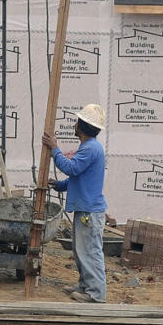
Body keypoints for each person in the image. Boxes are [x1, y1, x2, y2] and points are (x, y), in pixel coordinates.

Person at [41, 103, 107, 303]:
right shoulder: (89, 147)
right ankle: (86, 286)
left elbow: (72, 168)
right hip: (86, 208)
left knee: (89, 251)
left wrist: (55, 149)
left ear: (83, 126)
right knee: (81, 251)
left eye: (78, 122)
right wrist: (60, 185)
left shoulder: (90, 149)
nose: (75, 125)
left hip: (89, 210)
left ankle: (95, 294)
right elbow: (79, 177)